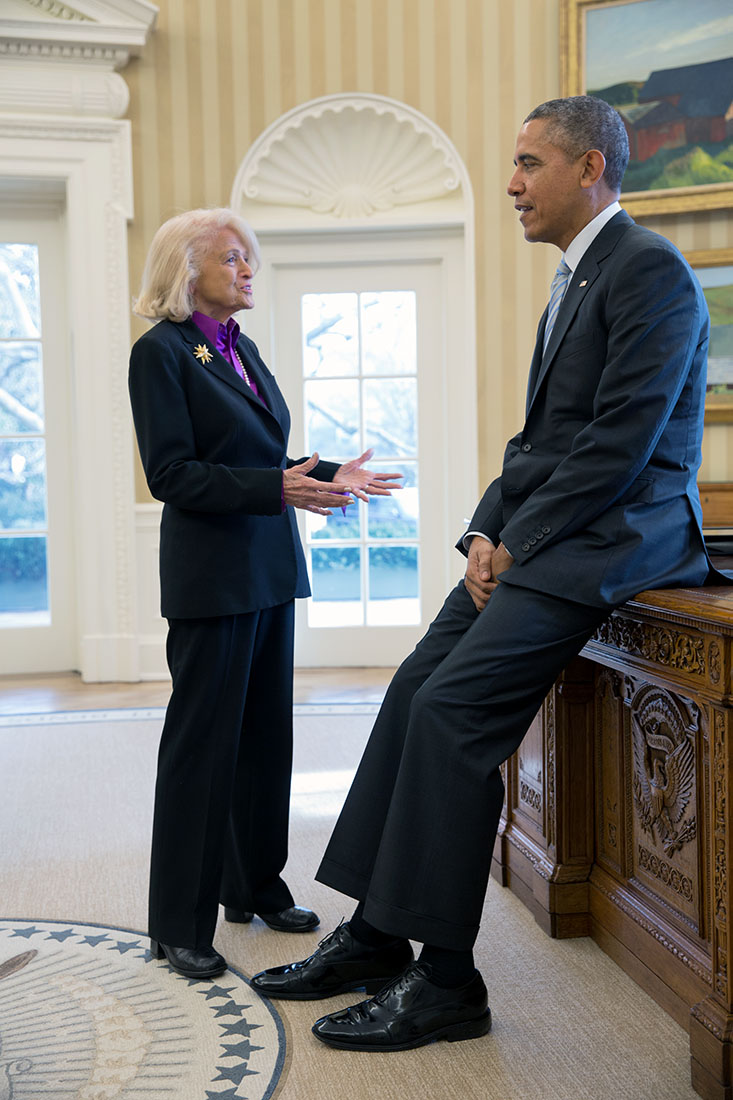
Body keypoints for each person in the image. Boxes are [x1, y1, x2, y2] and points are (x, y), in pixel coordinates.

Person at [251, 95, 718, 1051]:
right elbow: (535, 441)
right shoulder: (572, 282)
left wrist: (523, 539)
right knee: (413, 688)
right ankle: (378, 936)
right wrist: (479, 533)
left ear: (589, 168)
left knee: (452, 714)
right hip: (549, 536)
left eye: (526, 163)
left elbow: (621, 444)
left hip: (616, 537)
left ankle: (448, 980)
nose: (510, 184)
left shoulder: (650, 272)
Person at [128, 208, 401, 981]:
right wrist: (278, 486)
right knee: (201, 751)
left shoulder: (237, 349)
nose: (249, 270)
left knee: (262, 742)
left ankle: (252, 884)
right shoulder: (162, 354)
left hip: (268, 569)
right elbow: (172, 475)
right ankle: (176, 922)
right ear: (188, 271)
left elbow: (258, 458)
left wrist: (319, 475)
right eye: (233, 258)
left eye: (249, 259)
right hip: (211, 580)